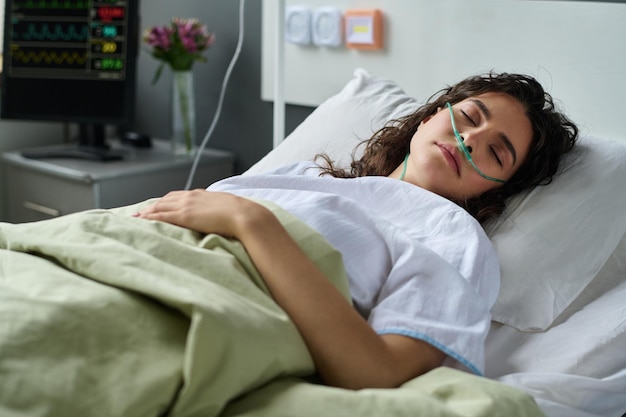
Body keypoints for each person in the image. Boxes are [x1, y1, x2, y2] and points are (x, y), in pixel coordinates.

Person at [135, 72, 578, 391]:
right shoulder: (306, 175)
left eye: (497, 152)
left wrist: (253, 224)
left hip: (194, 311)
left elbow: (378, 371)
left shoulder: (453, 239)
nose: (472, 139)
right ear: (427, 118)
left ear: (495, 192)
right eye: (468, 116)